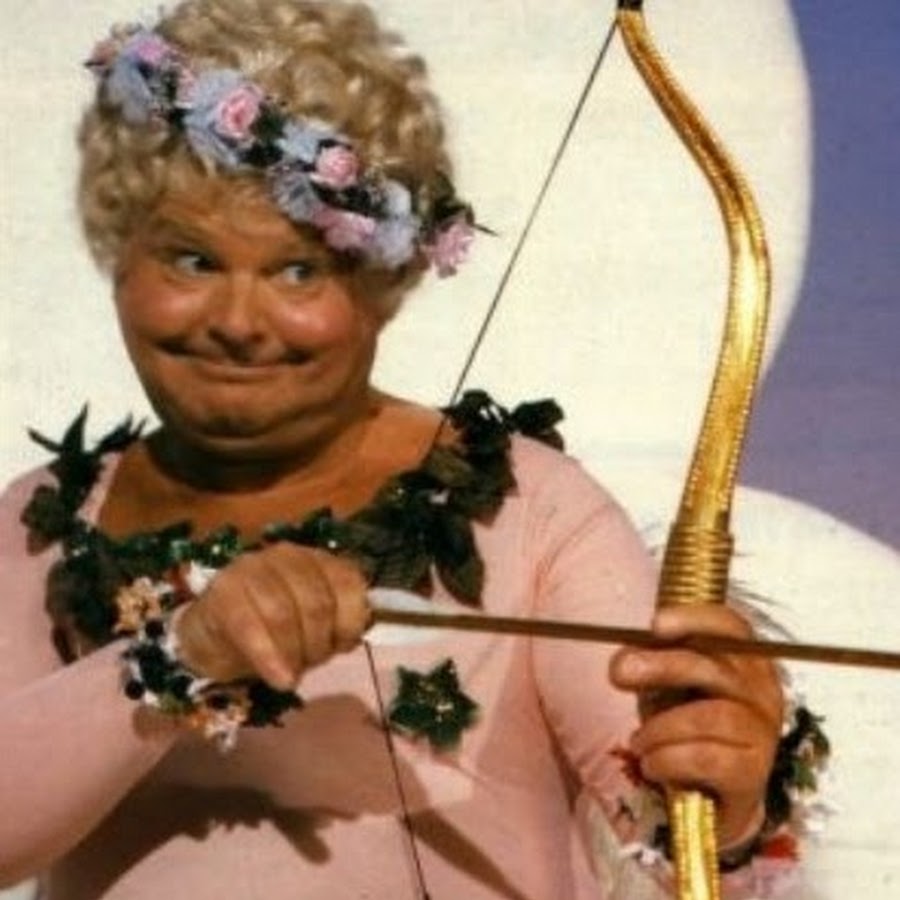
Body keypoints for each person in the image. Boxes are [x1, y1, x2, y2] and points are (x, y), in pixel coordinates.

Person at [0, 1, 798, 897]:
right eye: (191, 260)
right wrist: (184, 651)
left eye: (298, 271)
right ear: (118, 255)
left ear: (382, 287)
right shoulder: (48, 520)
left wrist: (726, 799)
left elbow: (677, 823)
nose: (237, 322)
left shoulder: (528, 507)